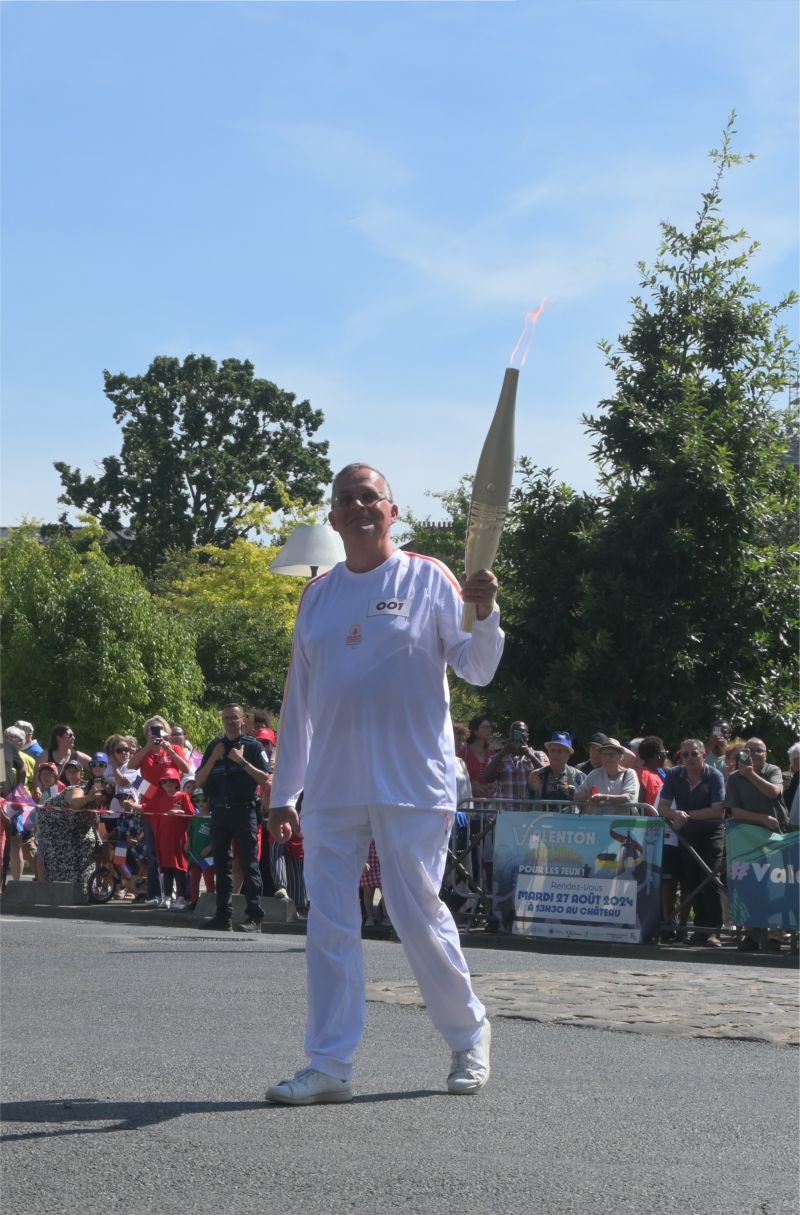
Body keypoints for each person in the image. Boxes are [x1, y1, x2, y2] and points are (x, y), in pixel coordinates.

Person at [266, 462, 502, 1105]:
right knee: (329, 924)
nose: (360, 506)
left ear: (392, 512)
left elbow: (478, 669)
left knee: (416, 914)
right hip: (334, 785)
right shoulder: (316, 596)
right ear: (335, 519)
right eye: (347, 500)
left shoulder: (429, 577)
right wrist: (284, 791)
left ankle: (468, 1037)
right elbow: (299, 700)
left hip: (411, 781)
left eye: (371, 497)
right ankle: (329, 1065)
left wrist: (483, 611)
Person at [195, 703, 270, 932]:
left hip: (244, 810)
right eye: (226, 718)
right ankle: (223, 915)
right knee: (221, 863)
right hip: (220, 810)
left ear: (243, 721)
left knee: (249, 863)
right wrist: (214, 757)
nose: (230, 721)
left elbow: (265, 779)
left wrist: (241, 762)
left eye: (234, 718)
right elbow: (198, 781)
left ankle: (254, 917)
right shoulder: (214, 746)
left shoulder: (253, 746)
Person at [656, 740, 725, 947]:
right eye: (685, 755)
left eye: (693, 754)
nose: (689, 759)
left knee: (710, 880)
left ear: (703, 755)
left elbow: (718, 810)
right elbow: (662, 807)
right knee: (692, 880)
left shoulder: (715, 776)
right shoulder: (675, 774)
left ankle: (713, 931)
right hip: (687, 835)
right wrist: (676, 813)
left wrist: (688, 815)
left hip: (711, 833)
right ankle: (699, 930)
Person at [574, 739, 639, 810]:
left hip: (622, 820)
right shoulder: (595, 773)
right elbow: (578, 796)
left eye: (611, 754)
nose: (607, 758)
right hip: (600, 820)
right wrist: (589, 796)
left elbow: (629, 797)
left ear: (621, 756)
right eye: (604, 754)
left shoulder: (629, 773)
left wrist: (605, 797)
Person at [527, 732, 583, 806]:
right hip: (541, 817)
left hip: (569, 817)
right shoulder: (535, 775)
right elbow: (526, 804)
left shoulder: (578, 776)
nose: (555, 754)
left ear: (568, 755)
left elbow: (585, 806)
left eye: (559, 751)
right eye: (552, 750)